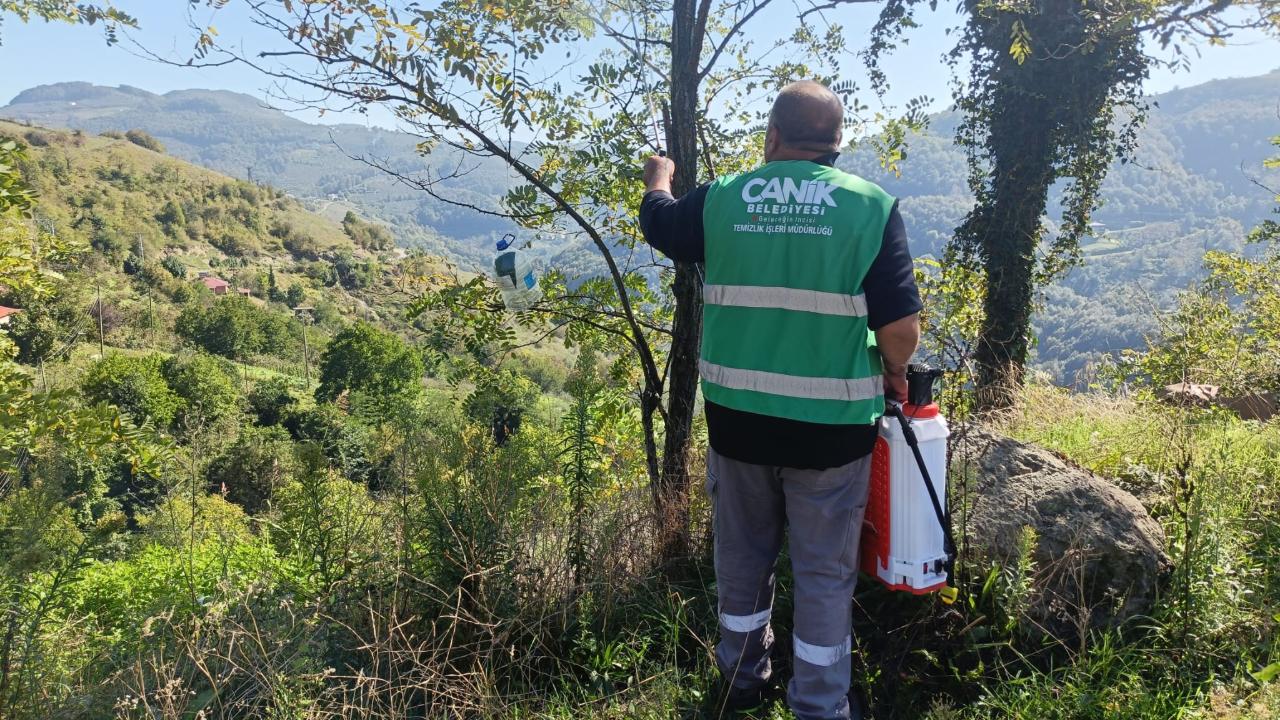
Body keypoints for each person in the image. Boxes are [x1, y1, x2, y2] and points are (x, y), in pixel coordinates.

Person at [638, 80, 922, 720]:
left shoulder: (723, 200)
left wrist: (659, 179)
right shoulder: (869, 206)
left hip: (739, 426)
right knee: (824, 574)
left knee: (743, 561)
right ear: (837, 144)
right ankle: (819, 705)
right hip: (831, 433)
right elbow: (900, 330)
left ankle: (741, 680)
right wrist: (894, 372)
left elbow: (661, 224)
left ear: (771, 138)